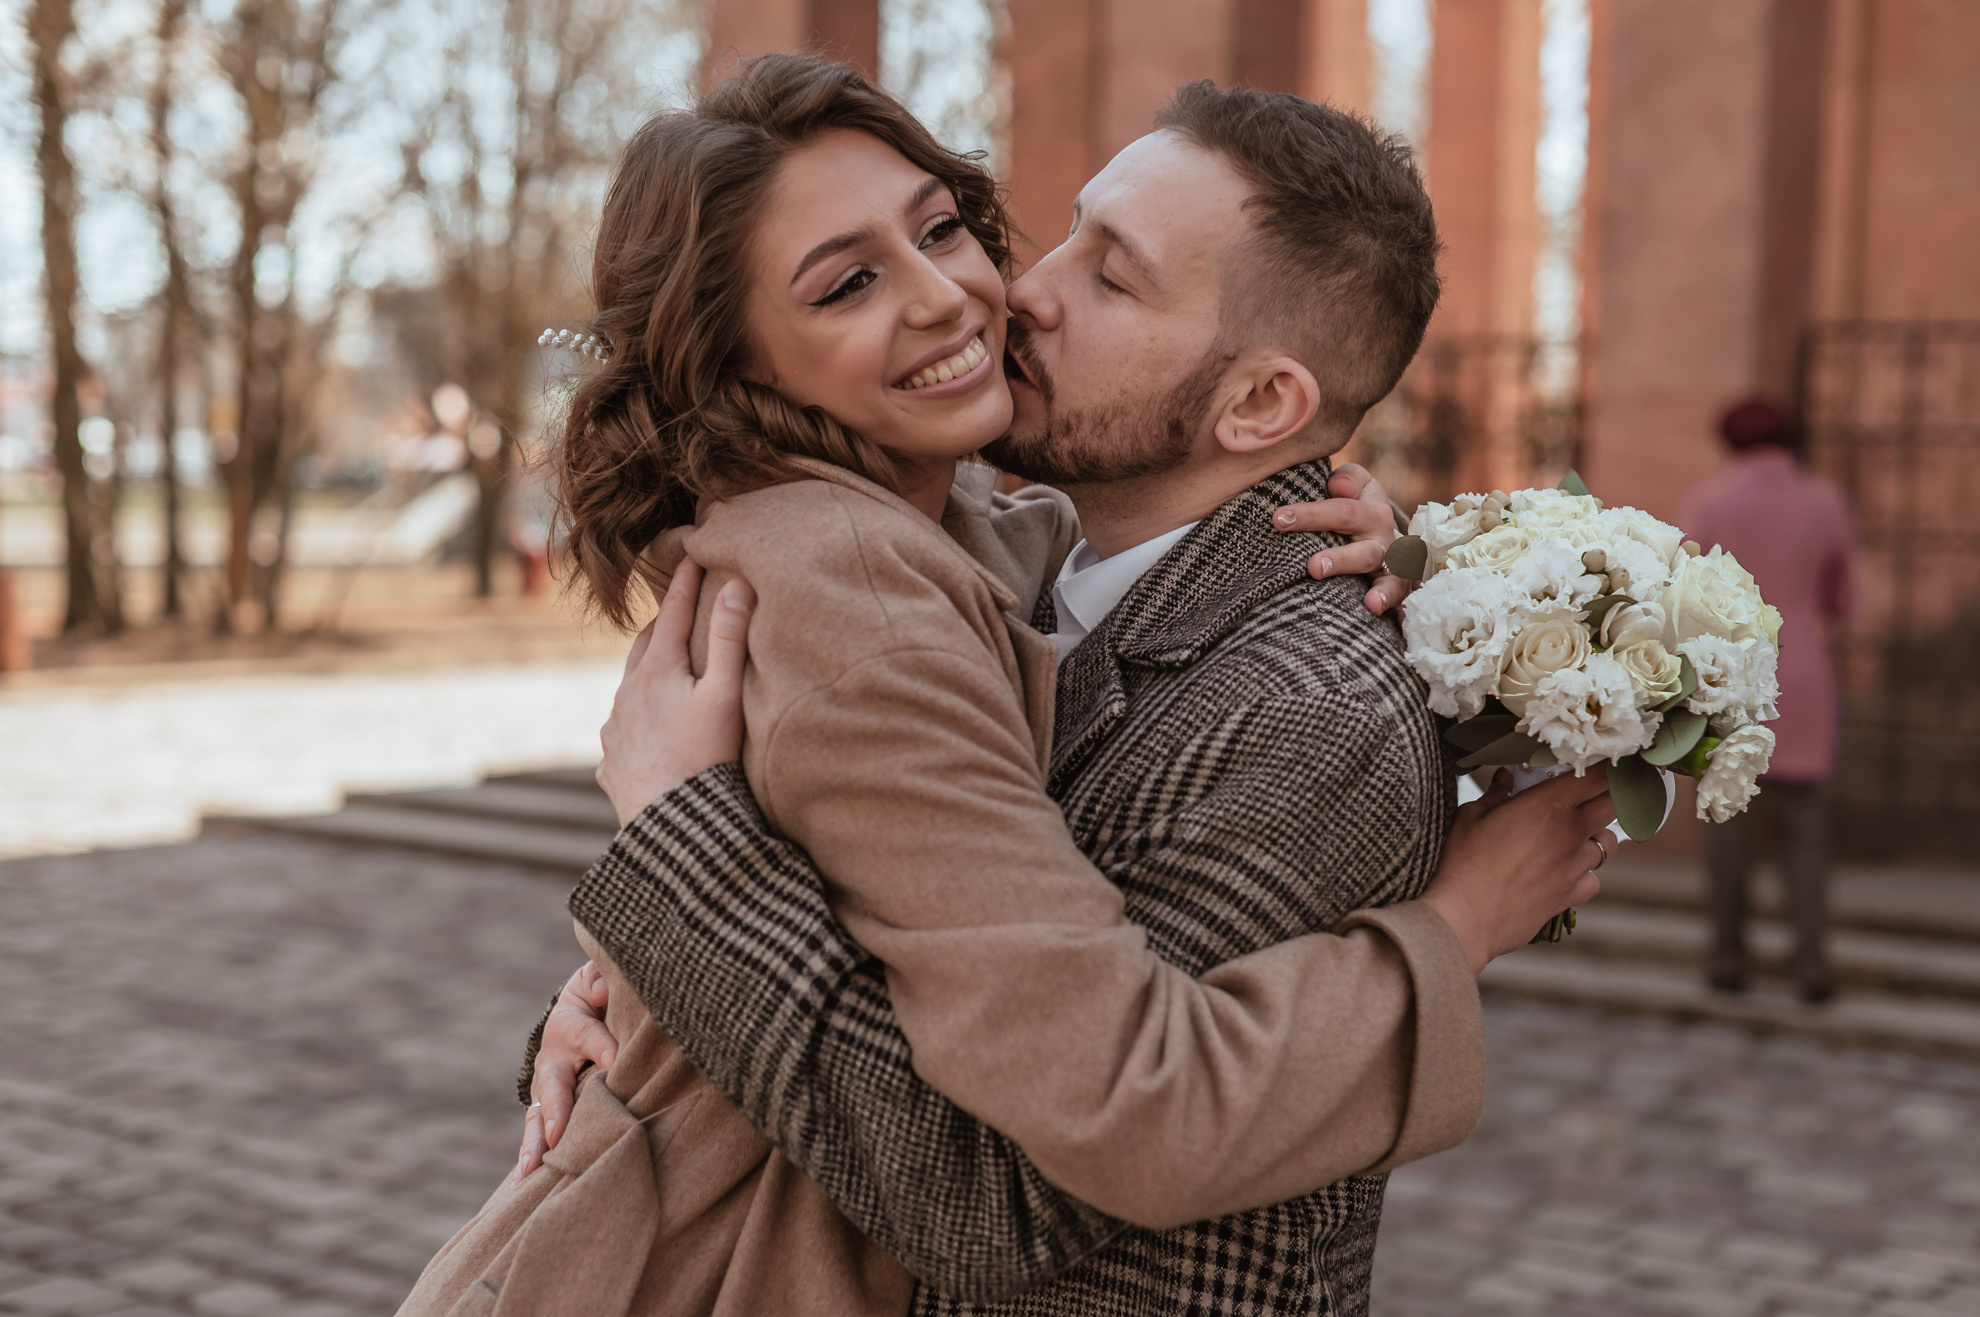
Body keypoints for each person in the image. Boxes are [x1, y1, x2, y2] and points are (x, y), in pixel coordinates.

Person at [439, 57, 1621, 1317]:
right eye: (1062, 235)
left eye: (1104, 271)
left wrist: (674, 883)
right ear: (746, 363)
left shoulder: (1274, 686)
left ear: (1265, 402)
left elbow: (1010, 1183)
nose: (995, 294)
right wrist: (648, 940)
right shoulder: (893, 580)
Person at [1681, 397, 1861, 1004]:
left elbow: (1686, 596)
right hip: (1804, 674)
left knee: (1729, 824)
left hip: (1729, 675)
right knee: (1804, 828)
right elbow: (1845, 598)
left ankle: (1727, 958)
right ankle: (1811, 963)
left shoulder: (1708, 502)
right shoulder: (1827, 501)